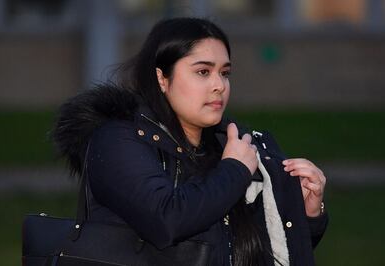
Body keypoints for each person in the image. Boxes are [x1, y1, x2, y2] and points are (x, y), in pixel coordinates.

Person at [53, 17, 328, 266]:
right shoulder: (118, 140)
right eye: (203, 72)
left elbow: (258, 251)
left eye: (225, 72)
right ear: (162, 77)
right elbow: (166, 220)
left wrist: (306, 214)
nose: (219, 85)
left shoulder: (231, 146)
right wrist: (233, 170)